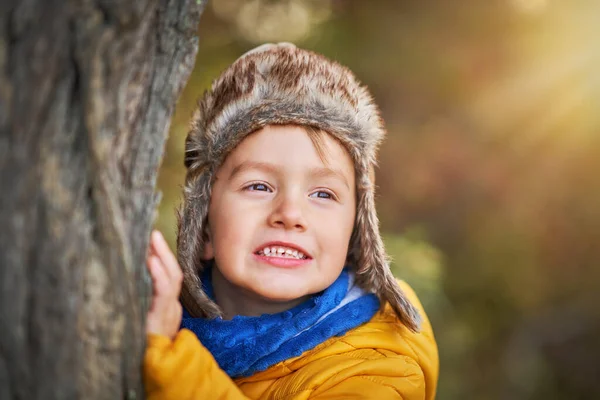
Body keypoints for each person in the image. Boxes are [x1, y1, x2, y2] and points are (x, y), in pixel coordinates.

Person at [143, 43, 438, 399]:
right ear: (202, 226)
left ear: (356, 234)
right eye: (259, 186)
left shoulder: (379, 368)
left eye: (323, 194)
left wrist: (174, 367)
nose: (290, 214)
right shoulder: (156, 310)